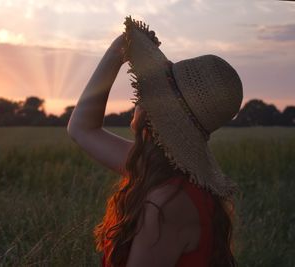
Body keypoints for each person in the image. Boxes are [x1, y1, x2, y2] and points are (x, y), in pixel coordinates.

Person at [67, 16, 242, 267]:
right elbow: (81, 129)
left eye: (145, 91)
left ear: (151, 109)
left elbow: (82, 129)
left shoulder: (167, 203)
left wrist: (122, 50)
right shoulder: (159, 170)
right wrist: (119, 48)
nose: (137, 99)